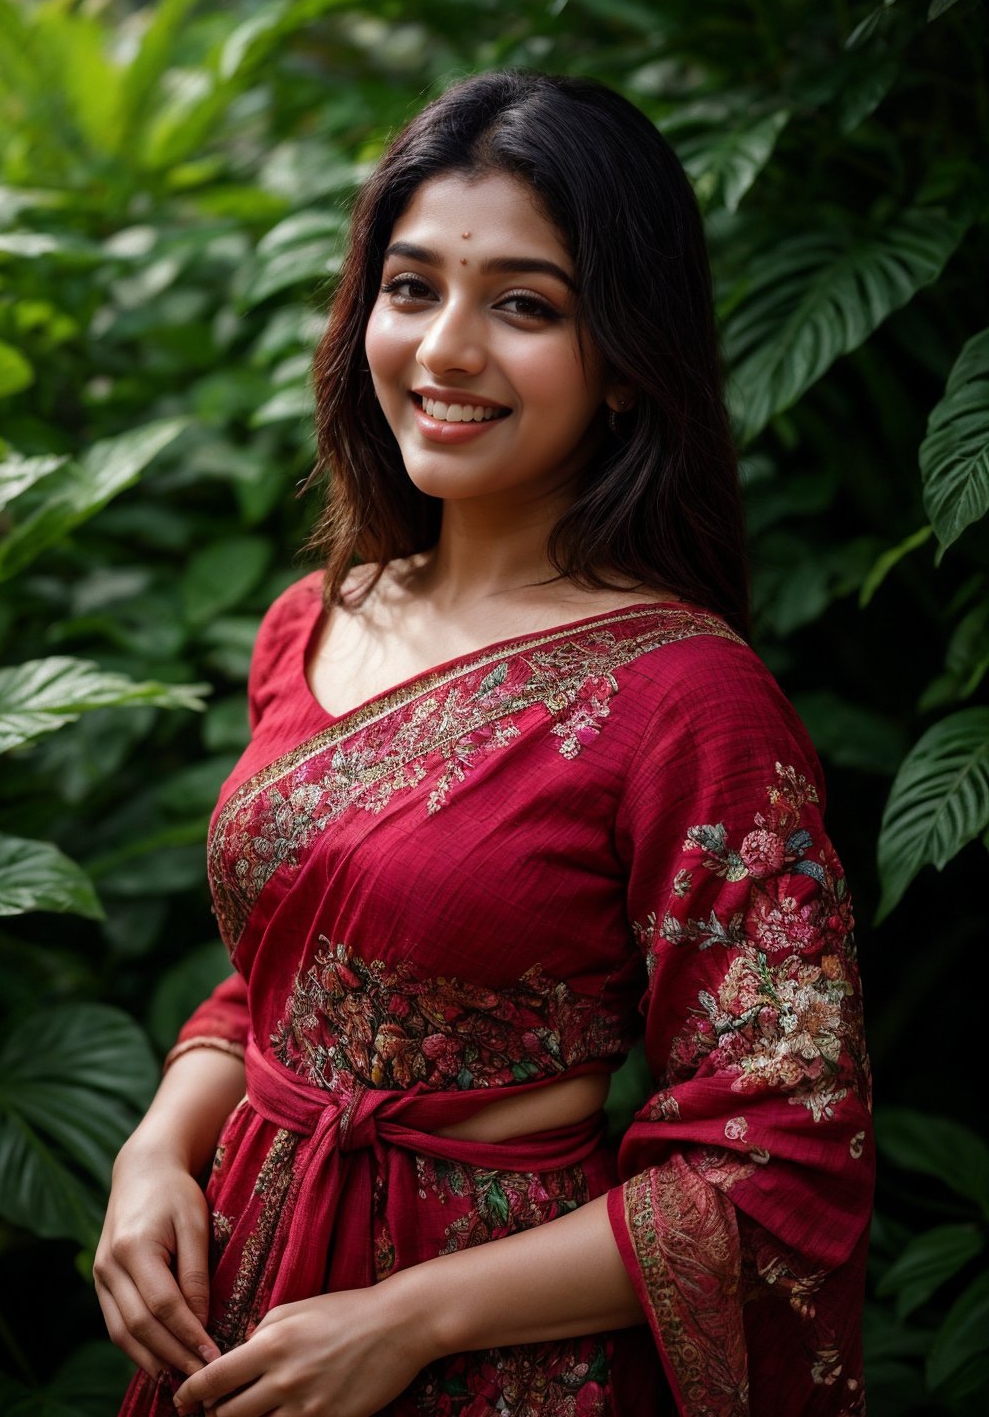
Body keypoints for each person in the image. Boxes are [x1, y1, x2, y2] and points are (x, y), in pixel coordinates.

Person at [95, 70, 873, 1417]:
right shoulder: (312, 623)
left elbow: (785, 1147)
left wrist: (409, 1320)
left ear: (627, 359)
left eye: (524, 305)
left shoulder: (691, 704)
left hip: (495, 1344)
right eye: (411, 289)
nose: (446, 350)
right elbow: (279, 976)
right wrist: (156, 1154)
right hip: (240, 1305)